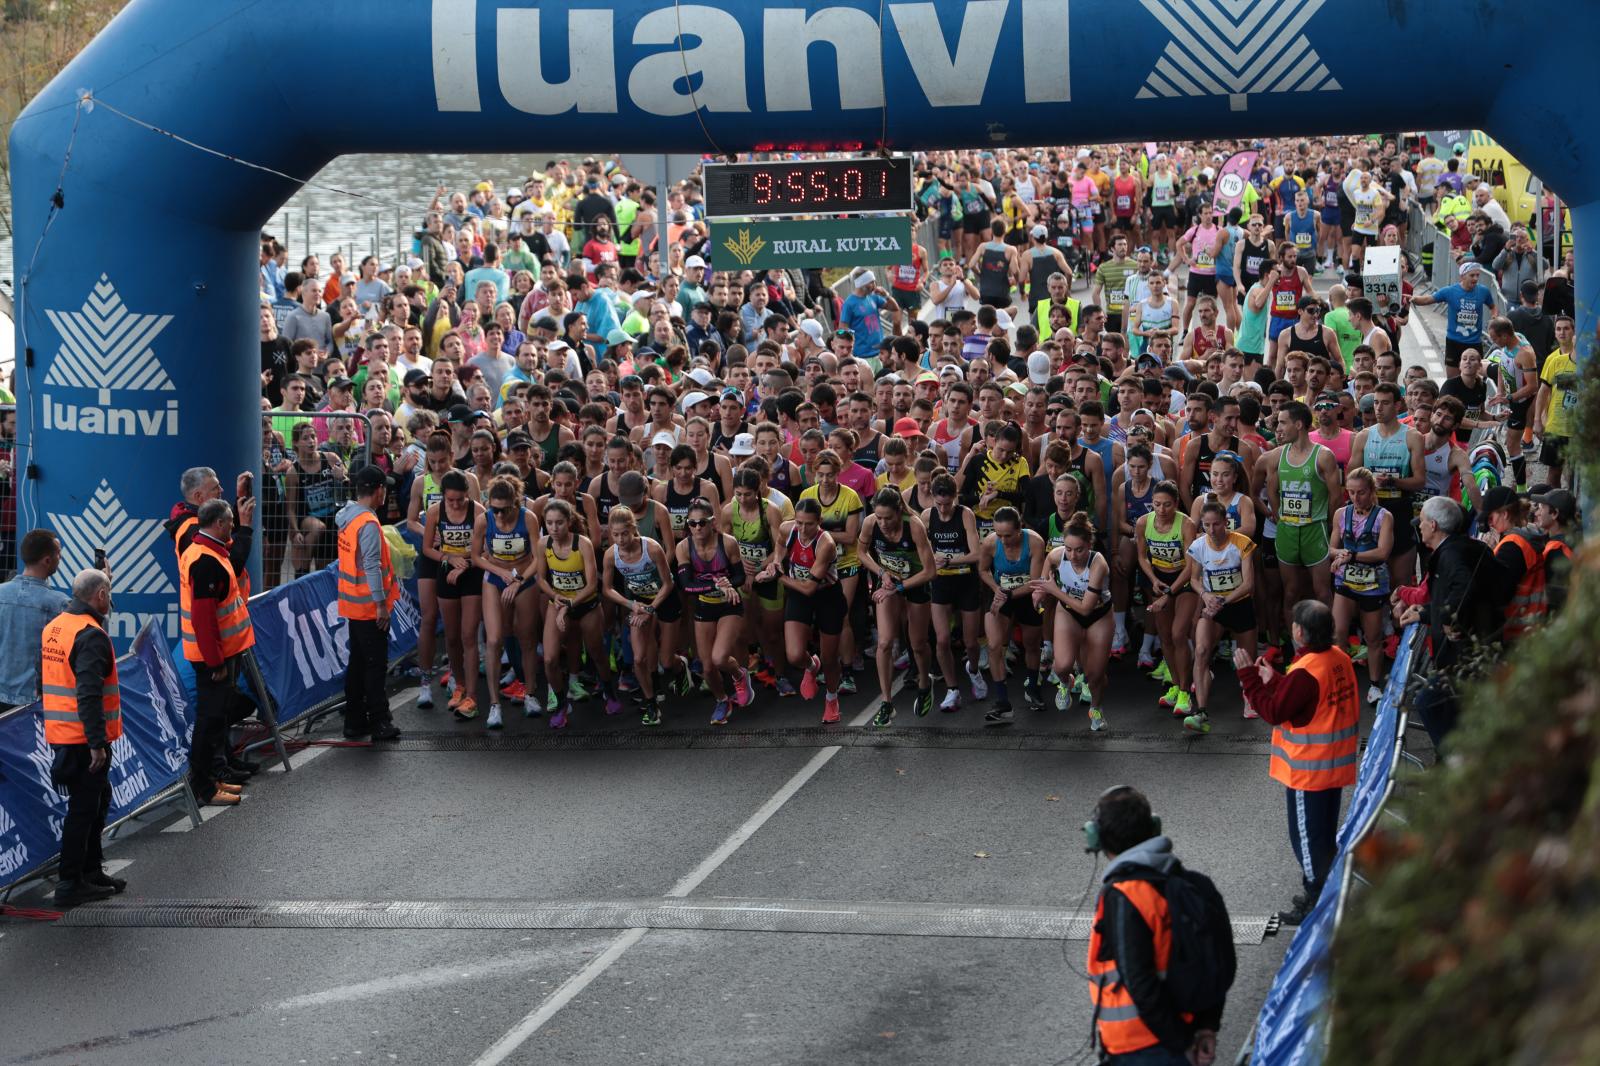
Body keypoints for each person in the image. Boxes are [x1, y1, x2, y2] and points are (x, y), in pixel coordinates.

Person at [1234, 599, 1360, 926]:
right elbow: (1306, 701)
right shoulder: (1339, 659)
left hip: (1309, 772)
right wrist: (1275, 679)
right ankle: (1325, 891)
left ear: (1299, 632)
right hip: (1333, 767)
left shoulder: (1306, 670)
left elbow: (1275, 712)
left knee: (1306, 840)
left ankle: (1317, 900)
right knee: (1323, 837)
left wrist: (1248, 677)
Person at [1085, 785, 1227, 1065]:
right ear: (1154, 828)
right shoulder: (1196, 885)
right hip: (1188, 1032)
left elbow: (1139, 982)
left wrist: (1181, 1043)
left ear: (1098, 838)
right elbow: (1217, 962)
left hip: (1141, 1045)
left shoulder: (1124, 895)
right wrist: (1207, 1026)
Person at [41, 569, 126, 906]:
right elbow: (88, 692)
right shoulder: (90, 635)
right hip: (82, 738)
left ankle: (91, 870)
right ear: (101, 595)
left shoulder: (56, 626)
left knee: (97, 800)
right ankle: (70, 883)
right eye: (109, 594)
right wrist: (96, 742)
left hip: (64, 734)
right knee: (83, 810)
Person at [1395, 496, 1506, 751]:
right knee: (1453, 709)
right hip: (1479, 646)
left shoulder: (1451, 555)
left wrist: (1447, 619)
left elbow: (1463, 587)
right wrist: (1425, 613)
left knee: (1427, 700)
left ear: (1433, 525)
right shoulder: (1463, 548)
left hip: (1467, 653)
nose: (1418, 526)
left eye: (1421, 521)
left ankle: (1453, 762)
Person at [178, 499, 259, 806]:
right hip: (213, 658)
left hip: (221, 653)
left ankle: (208, 782)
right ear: (220, 524)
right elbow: (203, 617)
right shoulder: (205, 560)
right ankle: (202, 787)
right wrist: (215, 662)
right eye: (230, 523)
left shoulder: (208, 552)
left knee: (215, 719)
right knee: (210, 721)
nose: (233, 528)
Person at [335, 465, 402, 742]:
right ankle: (379, 722)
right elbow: (372, 566)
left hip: (353, 604)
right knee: (374, 666)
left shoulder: (347, 517)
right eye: (384, 488)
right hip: (369, 607)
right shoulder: (369, 524)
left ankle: (354, 720)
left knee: (359, 664)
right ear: (378, 491)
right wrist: (380, 605)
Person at [0, 529, 69, 712]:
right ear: (47, 560)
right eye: (58, 553)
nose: (60, 558)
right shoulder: (59, 604)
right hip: (34, 703)